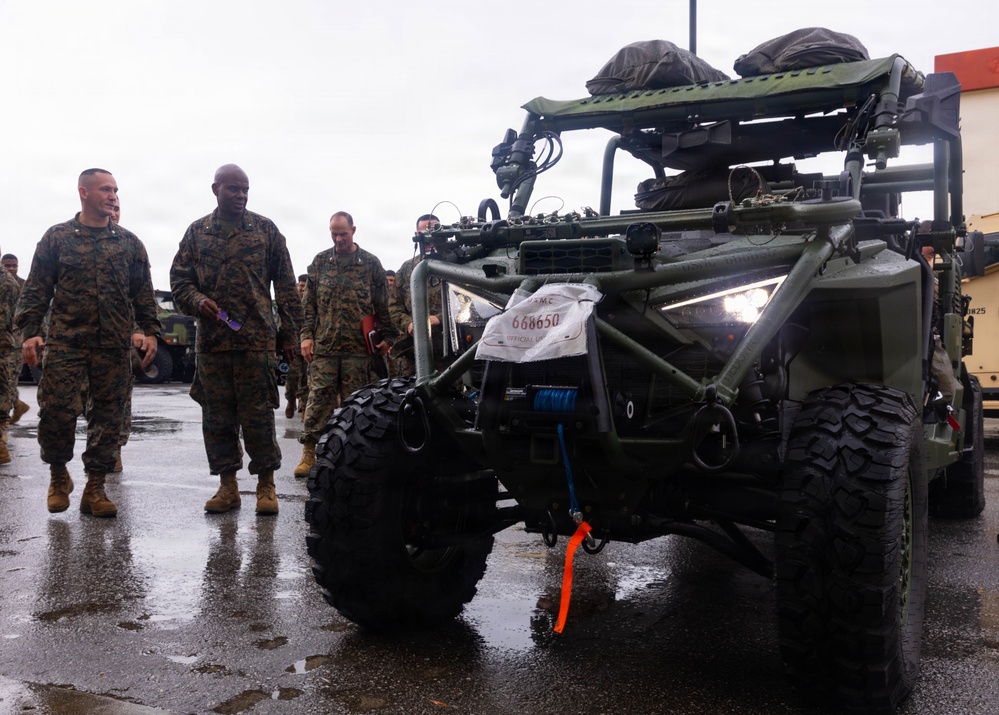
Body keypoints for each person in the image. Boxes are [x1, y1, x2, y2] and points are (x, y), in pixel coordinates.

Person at [15, 168, 160, 517]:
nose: (112, 196)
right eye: (105, 189)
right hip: (66, 344)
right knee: (56, 414)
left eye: (115, 190)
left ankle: (95, 488)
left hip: (112, 347)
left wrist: (150, 329)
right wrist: (30, 331)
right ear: (83, 192)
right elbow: (37, 288)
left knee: (109, 419)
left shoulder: (128, 243)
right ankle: (58, 476)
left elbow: (143, 293)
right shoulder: (57, 238)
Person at [170, 164, 302, 516]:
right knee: (217, 419)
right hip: (212, 345)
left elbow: (287, 287)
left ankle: (266, 486)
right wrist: (197, 302)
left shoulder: (265, 230)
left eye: (245, 190)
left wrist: (289, 333)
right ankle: (227, 486)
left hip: (255, 342)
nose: (241, 196)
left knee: (258, 416)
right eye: (233, 189)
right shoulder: (197, 233)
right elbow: (180, 282)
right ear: (216, 189)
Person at [294, 211, 395, 477]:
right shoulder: (320, 262)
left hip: (359, 351)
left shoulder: (371, 264)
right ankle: (309, 454)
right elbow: (309, 308)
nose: (338, 239)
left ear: (353, 230)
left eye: (343, 234)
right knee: (317, 402)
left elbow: (383, 306)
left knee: (358, 406)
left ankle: (355, 456)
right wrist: (306, 336)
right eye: (334, 234)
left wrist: (388, 338)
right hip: (325, 348)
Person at [389, 214, 442, 377]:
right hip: (412, 350)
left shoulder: (456, 266)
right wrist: (409, 324)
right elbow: (394, 306)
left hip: (447, 349)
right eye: (424, 232)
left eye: (434, 231)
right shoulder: (406, 269)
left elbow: (467, 301)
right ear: (416, 235)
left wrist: (440, 319)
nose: (428, 238)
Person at [1, 254, 29, 425]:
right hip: (7, 338)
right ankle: (17, 404)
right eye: (8, 265)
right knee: (6, 379)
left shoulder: (23, 285)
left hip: (15, 340)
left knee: (8, 378)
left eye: (14, 265)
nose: (12, 269)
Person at [283, 274, 310, 419]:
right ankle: (291, 400)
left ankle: (305, 408)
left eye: (305, 286)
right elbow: (282, 321)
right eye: (301, 285)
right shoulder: (291, 303)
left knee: (306, 378)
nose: (302, 288)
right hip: (293, 345)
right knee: (292, 376)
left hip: (308, 346)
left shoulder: (312, 303)